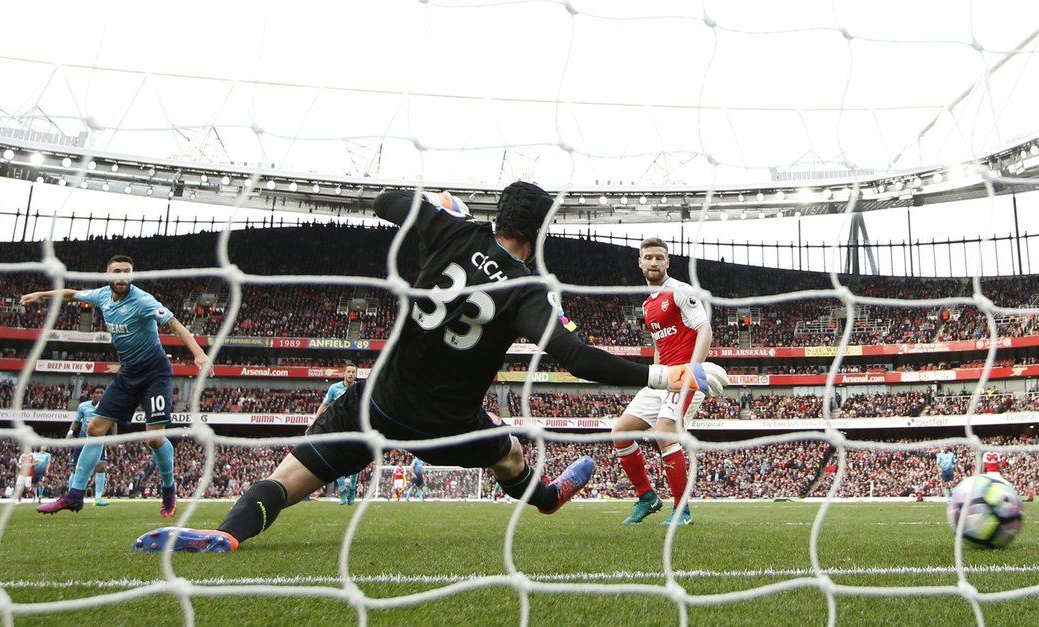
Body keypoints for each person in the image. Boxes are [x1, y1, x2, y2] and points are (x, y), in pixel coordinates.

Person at [133, 182, 726, 553]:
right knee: (511, 454)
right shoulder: (528, 290)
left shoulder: (450, 230)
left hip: (376, 403)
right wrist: (669, 375)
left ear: (496, 217)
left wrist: (435, 204)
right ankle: (546, 498)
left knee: (289, 481)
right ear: (539, 232)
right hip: (449, 426)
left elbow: (384, 202)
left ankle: (228, 531)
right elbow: (577, 359)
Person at [21, 254, 213, 517]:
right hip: (129, 374)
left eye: (126, 271)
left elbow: (175, 325)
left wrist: (199, 354)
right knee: (95, 427)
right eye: (116, 271)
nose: (121, 276)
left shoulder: (143, 300)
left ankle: (169, 490)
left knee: (154, 438)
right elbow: (72, 294)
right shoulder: (101, 295)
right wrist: (40, 295)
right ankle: (75, 495)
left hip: (155, 374)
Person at [612, 237, 713, 526]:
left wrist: (693, 369)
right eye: (648, 257)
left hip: (685, 375)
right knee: (620, 432)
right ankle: (647, 498)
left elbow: (704, 330)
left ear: (668, 262)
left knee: (664, 430)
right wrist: (656, 370)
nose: (653, 262)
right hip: (662, 377)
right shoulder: (647, 305)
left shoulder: (681, 292)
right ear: (640, 262)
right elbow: (660, 342)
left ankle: (683, 510)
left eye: (659, 257)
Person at [311, 364, 360, 504]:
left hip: (355, 428)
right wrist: (315, 421)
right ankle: (343, 491)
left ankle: (352, 490)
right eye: (348, 372)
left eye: (353, 372)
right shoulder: (334, 388)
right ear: (344, 373)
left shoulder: (359, 389)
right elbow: (325, 404)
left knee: (356, 461)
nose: (351, 374)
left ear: (355, 374)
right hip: (338, 428)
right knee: (336, 459)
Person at [68, 385, 116, 506]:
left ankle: (98, 499)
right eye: (97, 393)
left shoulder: (108, 406)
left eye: (102, 393)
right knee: (75, 468)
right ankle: (70, 497)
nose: (100, 395)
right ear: (92, 394)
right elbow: (77, 421)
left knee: (101, 466)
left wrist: (114, 438)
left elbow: (113, 423)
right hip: (83, 439)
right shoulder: (83, 406)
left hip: (99, 440)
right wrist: (70, 433)